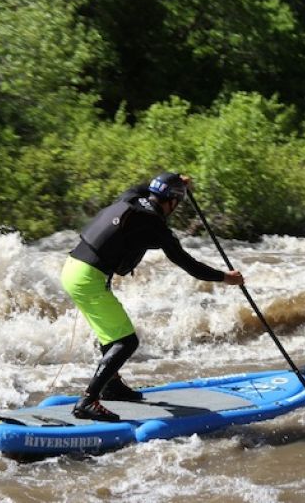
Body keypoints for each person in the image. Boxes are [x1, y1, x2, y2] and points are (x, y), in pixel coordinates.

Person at [60, 172, 244, 421]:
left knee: (111, 333)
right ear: (173, 202)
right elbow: (189, 265)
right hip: (88, 278)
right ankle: (88, 401)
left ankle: (112, 387)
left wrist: (176, 181)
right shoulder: (155, 226)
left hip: (72, 267)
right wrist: (225, 278)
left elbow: (143, 186)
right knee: (126, 342)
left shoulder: (131, 198)